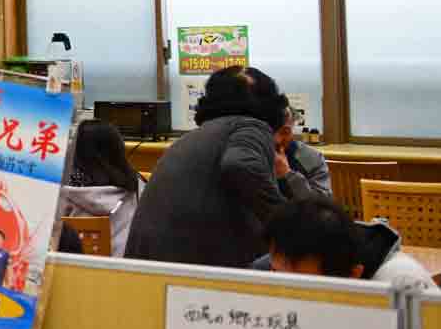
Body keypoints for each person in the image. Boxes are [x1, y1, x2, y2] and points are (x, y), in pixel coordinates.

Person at [124, 65, 308, 267]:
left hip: (146, 266)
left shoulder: (194, 137)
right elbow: (239, 165)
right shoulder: (251, 127)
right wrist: (287, 223)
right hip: (188, 270)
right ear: (272, 105)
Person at [256, 195, 436, 289]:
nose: (282, 290)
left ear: (353, 275)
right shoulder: (270, 267)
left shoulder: (404, 288)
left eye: (302, 285)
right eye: (276, 272)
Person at [59, 120, 146, 253]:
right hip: (128, 262)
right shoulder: (139, 186)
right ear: (118, 149)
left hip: (73, 263)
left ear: (75, 150)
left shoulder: (58, 191)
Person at [274, 116, 331, 196]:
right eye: (271, 132)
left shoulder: (310, 157)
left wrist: (288, 175)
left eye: (285, 132)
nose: (277, 140)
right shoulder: (256, 156)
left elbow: (322, 200)